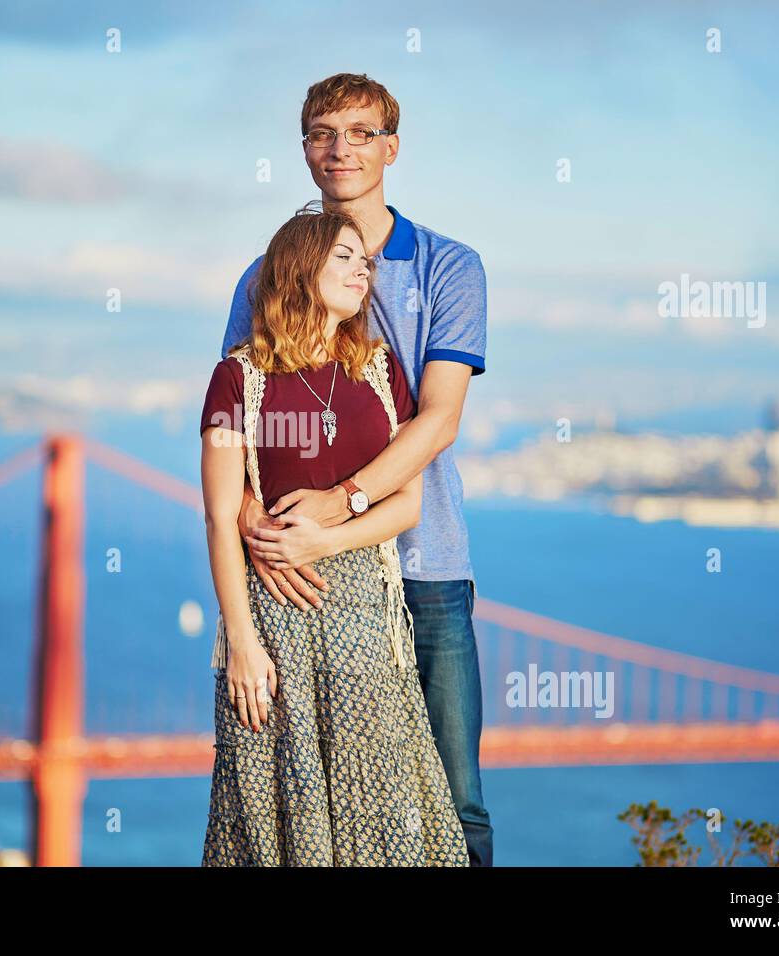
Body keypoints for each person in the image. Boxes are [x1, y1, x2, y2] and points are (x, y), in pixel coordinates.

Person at [219, 73, 494, 866]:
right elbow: (236, 412)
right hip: (306, 579)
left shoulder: (449, 267)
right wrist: (255, 528)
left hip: (424, 565)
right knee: (308, 801)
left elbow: (437, 418)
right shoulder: (264, 272)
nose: (340, 149)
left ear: (392, 148)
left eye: (360, 132)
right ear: (303, 149)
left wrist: (340, 505)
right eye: (321, 133)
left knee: (453, 798)